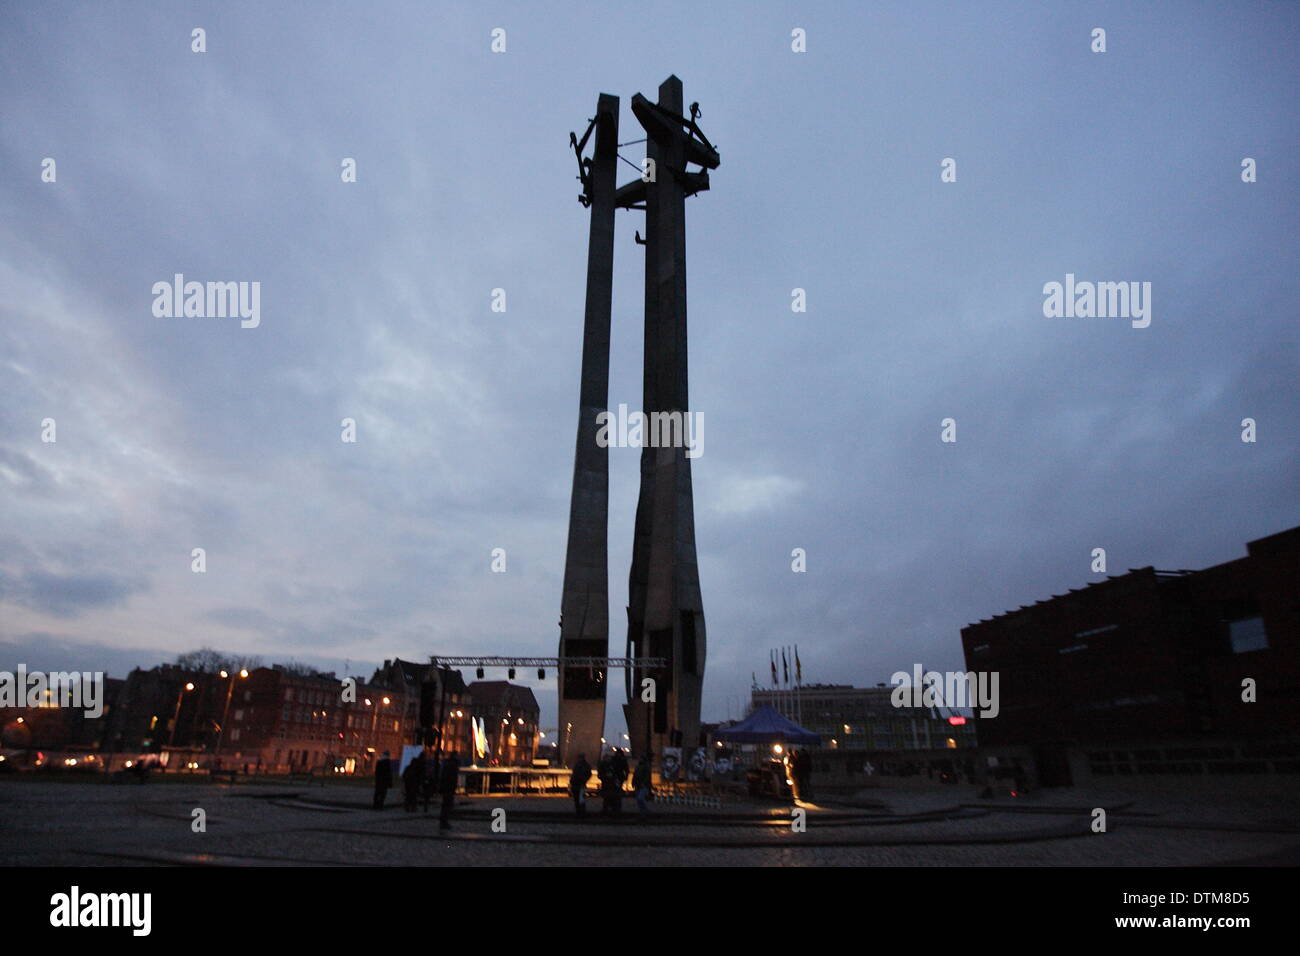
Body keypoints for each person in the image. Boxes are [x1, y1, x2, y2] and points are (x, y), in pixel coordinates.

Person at [438, 750, 460, 831]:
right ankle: (444, 821)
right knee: (447, 805)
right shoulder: (453, 765)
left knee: (446, 805)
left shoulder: (448, 764)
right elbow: (451, 777)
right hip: (449, 787)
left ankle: (443, 821)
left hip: (447, 787)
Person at [570, 753, 592, 817]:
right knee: (578, 799)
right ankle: (579, 812)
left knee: (580, 799)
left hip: (580, 784)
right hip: (577, 783)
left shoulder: (581, 765)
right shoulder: (583, 765)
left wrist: (583, 780)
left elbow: (575, 774)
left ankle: (581, 812)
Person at [633, 752, 653, 818]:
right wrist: (633, 782)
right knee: (639, 800)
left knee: (640, 798)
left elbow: (647, 776)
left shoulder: (646, 767)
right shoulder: (638, 766)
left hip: (643, 785)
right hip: (638, 784)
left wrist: (644, 783)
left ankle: (646, 810)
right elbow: (635, 775)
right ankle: (642, 813)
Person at [612, 748, 629, 813]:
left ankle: (615, 806)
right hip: (619, 777)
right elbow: (626, 769)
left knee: (615, 792)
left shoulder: (614, 759)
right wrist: (626, 777)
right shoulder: (623, 760)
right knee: (618, 792)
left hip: (616, 777)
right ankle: (617, 807)